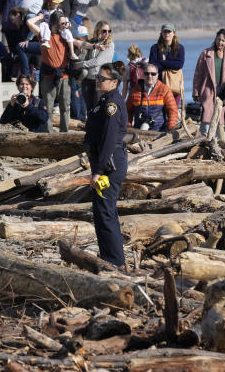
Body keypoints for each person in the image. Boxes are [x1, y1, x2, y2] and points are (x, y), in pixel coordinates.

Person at [83, 63, 128, 267]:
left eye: (102, 79)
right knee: (101, 211)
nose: (98, 81)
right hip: (104, 161)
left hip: (109, 164)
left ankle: (115, 261)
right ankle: (108, 255)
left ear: (115, 82)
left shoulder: (112, 104)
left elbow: (109, 139)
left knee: (105, 211)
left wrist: (99, 171)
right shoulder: (104, 100)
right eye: (97, 78)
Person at [30, 11, 72, 132]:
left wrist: (94, 46)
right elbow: (29, 22)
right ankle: (49, 135)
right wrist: (40, 17)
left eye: (65, 23)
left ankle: (64, 134)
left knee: (65, 108)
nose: (65, 25)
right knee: (47, 108)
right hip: (48, 77)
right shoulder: (43, 34)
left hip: (64, 76)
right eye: (62, 23)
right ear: (54, 23)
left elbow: (77, 43)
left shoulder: (65, 35)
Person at [192, 28, 225, 136]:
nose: (220, 42)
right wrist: (195, 92)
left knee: (220, 124)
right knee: (205, 122)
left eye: (223, 40)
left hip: (223, 93)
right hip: (207, 90)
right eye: (218, 39)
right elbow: (198, 74)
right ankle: (201, 145)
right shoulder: (206, 53)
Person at [127, 62, 178, 132]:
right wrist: (128, 127)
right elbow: (127, 111)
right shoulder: (134, 91)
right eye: (146, 73)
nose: (150, 76)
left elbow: (173, 111)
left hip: (159, 132)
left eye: (153, 74)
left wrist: (171, 128)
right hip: (138, 131)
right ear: (143, 75)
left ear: (157, 75)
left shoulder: (164, 90)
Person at [78, 20, 115, 109]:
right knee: (89, 108)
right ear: (98, 31)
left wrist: (80, 64)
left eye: (109, 31)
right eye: (104, 31)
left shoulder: (109, 45)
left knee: (97, 108)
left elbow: (97, 61)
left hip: (100, 80)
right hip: (87, 79)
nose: (107, 33)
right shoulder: (93, 42)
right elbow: (81, 46)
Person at [148, 24, 185, 107]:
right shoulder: (154, 48)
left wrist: (161, 62)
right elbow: (153, 66)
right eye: (165, 31)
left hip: (174, 86)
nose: (167, 33)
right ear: (161, 33)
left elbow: (179, 64)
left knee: (173, 111)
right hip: (158, 85)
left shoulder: (179, 48)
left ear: (173, 33)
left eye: (169, 31)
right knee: (159, 111)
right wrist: (171, 63)